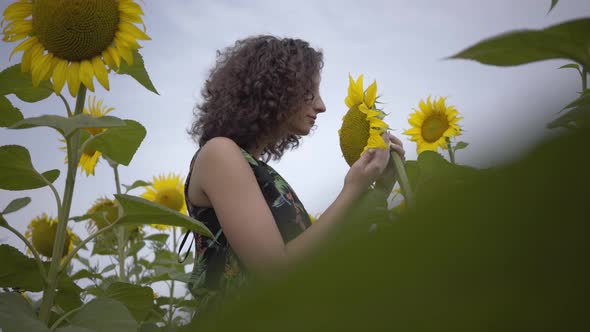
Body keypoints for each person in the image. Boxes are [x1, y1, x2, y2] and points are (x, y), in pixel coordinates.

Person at [182, 35, 405, 299]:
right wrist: (351, 188)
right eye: (309, 91)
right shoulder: (219, 154)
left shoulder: (250, 167)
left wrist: (380, 188)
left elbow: (313, 259)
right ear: (273, 88)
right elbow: (275, 269)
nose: (321, 106)